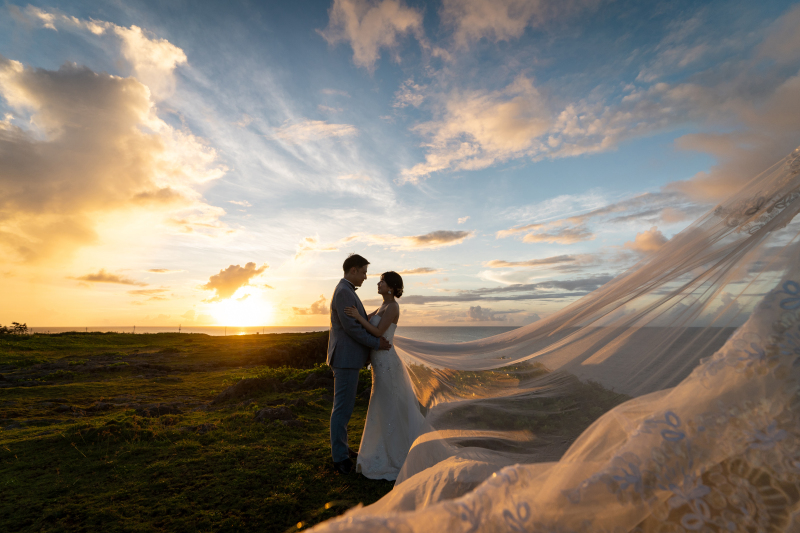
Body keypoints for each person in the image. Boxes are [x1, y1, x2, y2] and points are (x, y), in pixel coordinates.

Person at [345, 271, 424, 481]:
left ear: (391, 287)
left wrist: (358, 317)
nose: (378, 284)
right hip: (379, 362)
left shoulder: (393, 307)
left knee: (390, 403)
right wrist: (358, 316)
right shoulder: (382, 306)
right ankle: (381, 449)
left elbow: (378, 332)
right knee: (383, 403)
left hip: (387, 362)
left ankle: (398, 452)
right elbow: (368, 322)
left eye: (382, 281)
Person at [328, 254, 392, 475]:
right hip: (345, 359)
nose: (365, 277)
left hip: (348, 358)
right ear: (353, 270)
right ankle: (340, 458)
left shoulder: (346, 290)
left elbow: (360, 319)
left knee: (344, 408)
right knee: (342, 409)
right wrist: (376, 343)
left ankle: (342, 449)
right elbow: (352, 328)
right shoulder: (344, 292)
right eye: (364, 272)